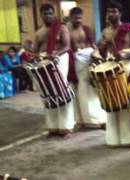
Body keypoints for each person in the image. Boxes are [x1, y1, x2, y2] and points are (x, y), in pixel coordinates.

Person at [94, 1, 130, 152]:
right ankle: (115, 138)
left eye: (114, 11)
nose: (111, 14)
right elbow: (103, 54)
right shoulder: (105, 32)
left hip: (128, 69)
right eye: (109, 11)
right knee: (113, 102)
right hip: (111, 68)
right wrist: (102, 49)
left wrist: (124, 56)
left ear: (120, 13)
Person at [34, 3, 75, 138]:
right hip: (43, 62)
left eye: (50, 13)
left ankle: (67, 127)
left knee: (61, 91)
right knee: (47, 94)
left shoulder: (61, 28)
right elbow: (35, 50)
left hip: (59, 60)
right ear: (41, 15)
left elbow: (67, 45)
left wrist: (55, 54)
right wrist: (33, 58)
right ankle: (53, 127)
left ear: (54, 14)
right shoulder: (39, 32)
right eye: (45, 14)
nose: (47, 16)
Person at [67, 7, 107, 130]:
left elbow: (92, 44)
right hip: (77, 61)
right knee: (82, 90)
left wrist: (96, 54)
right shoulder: (67, 31)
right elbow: (68, 48)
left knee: (93, 89)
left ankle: (99, 119)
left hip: (89, 58)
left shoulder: (86, 29)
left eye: (80, 17)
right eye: (75, 18)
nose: (78, 20)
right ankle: (86, 120)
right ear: (70, 17)